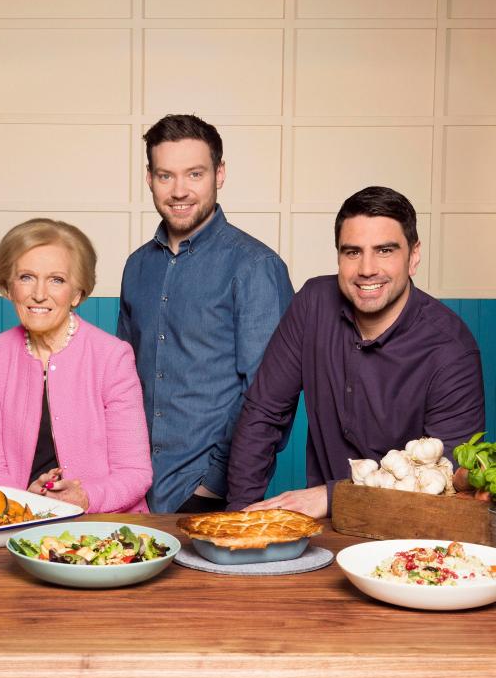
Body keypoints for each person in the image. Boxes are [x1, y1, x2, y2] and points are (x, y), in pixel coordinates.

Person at [227, 185, 486, 518]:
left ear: (414, 255)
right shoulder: (313, 304)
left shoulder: (451, 349)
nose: (367, 269)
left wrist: (335, 496)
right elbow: (263, 413)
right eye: (352, 252)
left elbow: (446, 477)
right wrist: (237, 518)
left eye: (385, 250)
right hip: (322, 532)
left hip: (406, 536)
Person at [117, 114, 293, 514]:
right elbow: (121, 382)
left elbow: (270, 395)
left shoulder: (255, 267)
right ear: (149, 178)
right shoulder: (137, 267)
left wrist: (214, 485)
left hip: (210, 494)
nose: (179, 190)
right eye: (165, 176)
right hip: (135, 490)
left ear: (220, 173)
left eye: (194, 174)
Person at [0, 218, 152, 513]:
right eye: (27, 277)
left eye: (57, 280)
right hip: (20, 526)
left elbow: (135, 473)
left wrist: (84, 499)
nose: (39, 293)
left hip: (105, 529)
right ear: (8, 286)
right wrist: (22, 504)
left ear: (78, 293)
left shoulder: (112, 357)